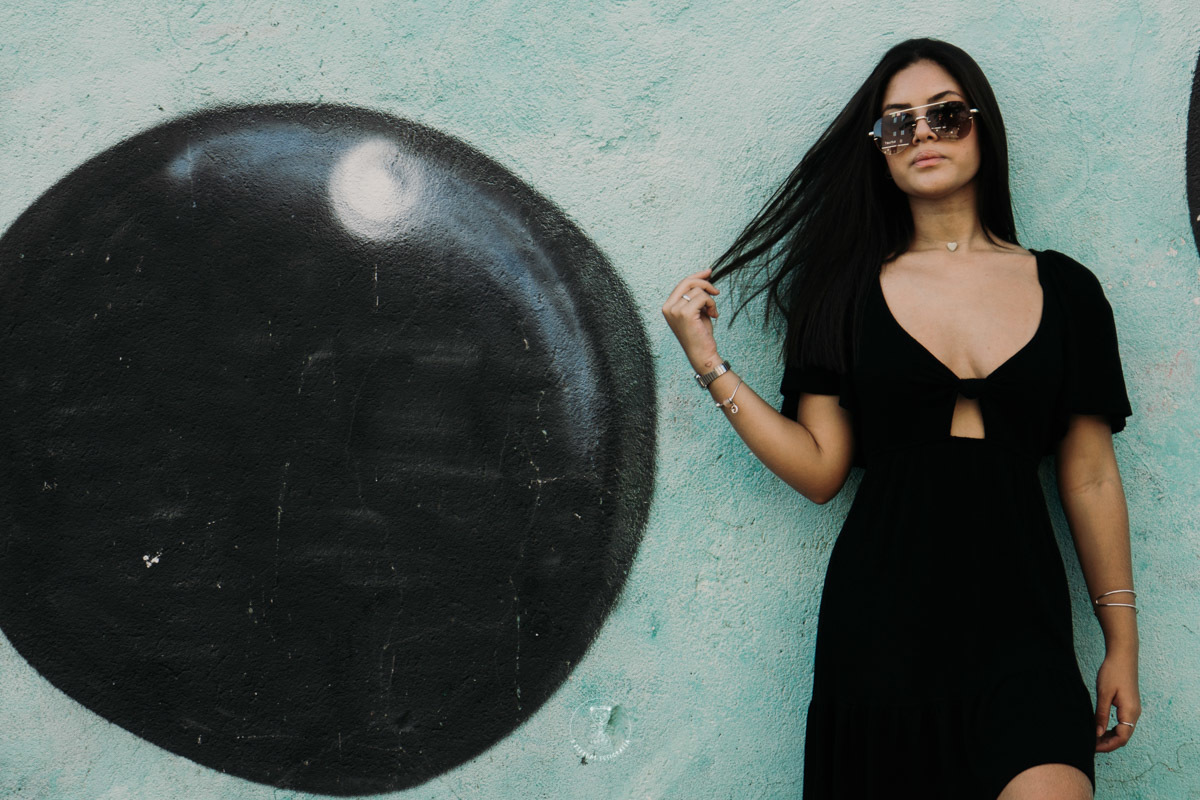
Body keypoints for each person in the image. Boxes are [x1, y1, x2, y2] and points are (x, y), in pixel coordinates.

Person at [662, 38, 1140, 799]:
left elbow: (1088, 477)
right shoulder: (842, 294)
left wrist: (1122, 644)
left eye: (946, 116)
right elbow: (821, 470)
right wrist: (707, 360)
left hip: (1025, 634)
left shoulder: (1068, 290)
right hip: (881, 633)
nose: (921, 135)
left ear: (983, 128)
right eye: (898, 124)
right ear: (879, 149)